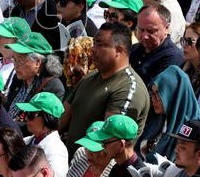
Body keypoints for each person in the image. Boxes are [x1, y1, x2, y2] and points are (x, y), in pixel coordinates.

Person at [61, 22, 151, 152]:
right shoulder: (88, 78)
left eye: (99, 44)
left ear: (118, 51)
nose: (92, 49)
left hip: (96, 167)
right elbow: (60, 121)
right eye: (94, 43)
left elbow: (109, 143)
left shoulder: (128, 88)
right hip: (72, 163)